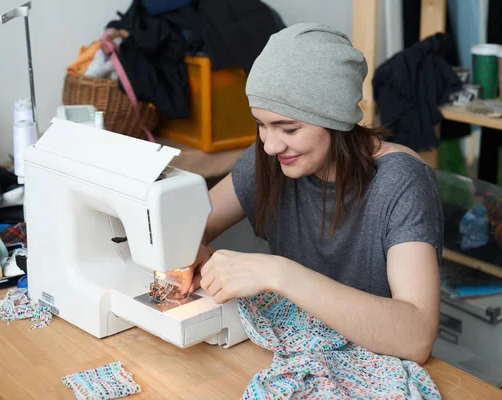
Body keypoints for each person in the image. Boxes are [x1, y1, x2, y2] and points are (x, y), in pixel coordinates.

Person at [179, 23, 443, 365]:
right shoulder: (270, 158)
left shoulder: (402, 183)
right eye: (260, 124)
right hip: (295, 352)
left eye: (289, 128)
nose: (271, 145)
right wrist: (184, 254)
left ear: (335, 119)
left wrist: (277, 274)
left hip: (374, 365)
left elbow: (417, 336)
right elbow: (189, 228)